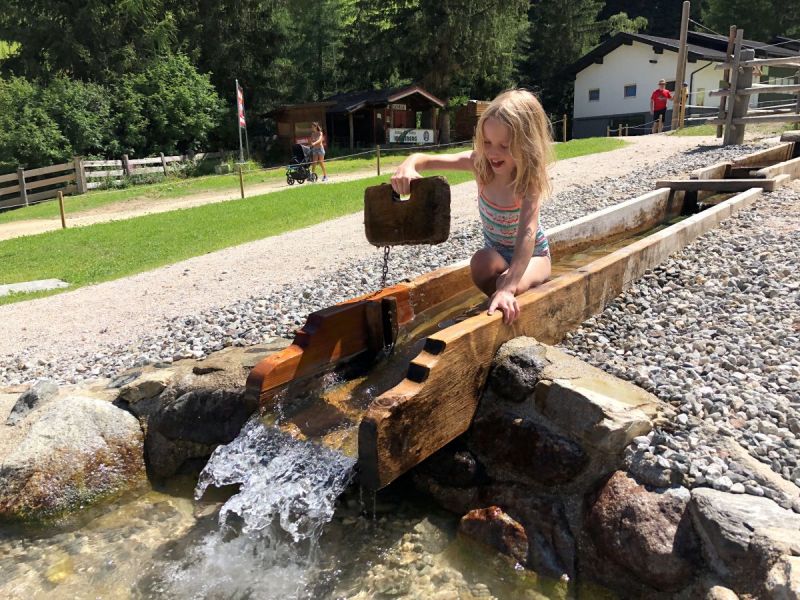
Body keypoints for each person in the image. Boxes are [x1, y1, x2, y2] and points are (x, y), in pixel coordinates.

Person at [391, 89, 552, 325]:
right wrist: (408, 166)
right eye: (487, 142)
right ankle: (498, 303)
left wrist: (509, 285)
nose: (493, 153)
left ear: (526, 145)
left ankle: (507, 298)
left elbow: (527, 232)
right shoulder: (480, 165)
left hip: (534, 258)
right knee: (479, 262)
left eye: (504, 146)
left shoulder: (528, 181)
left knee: (511, 283)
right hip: (496, 256)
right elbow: (423, 159)